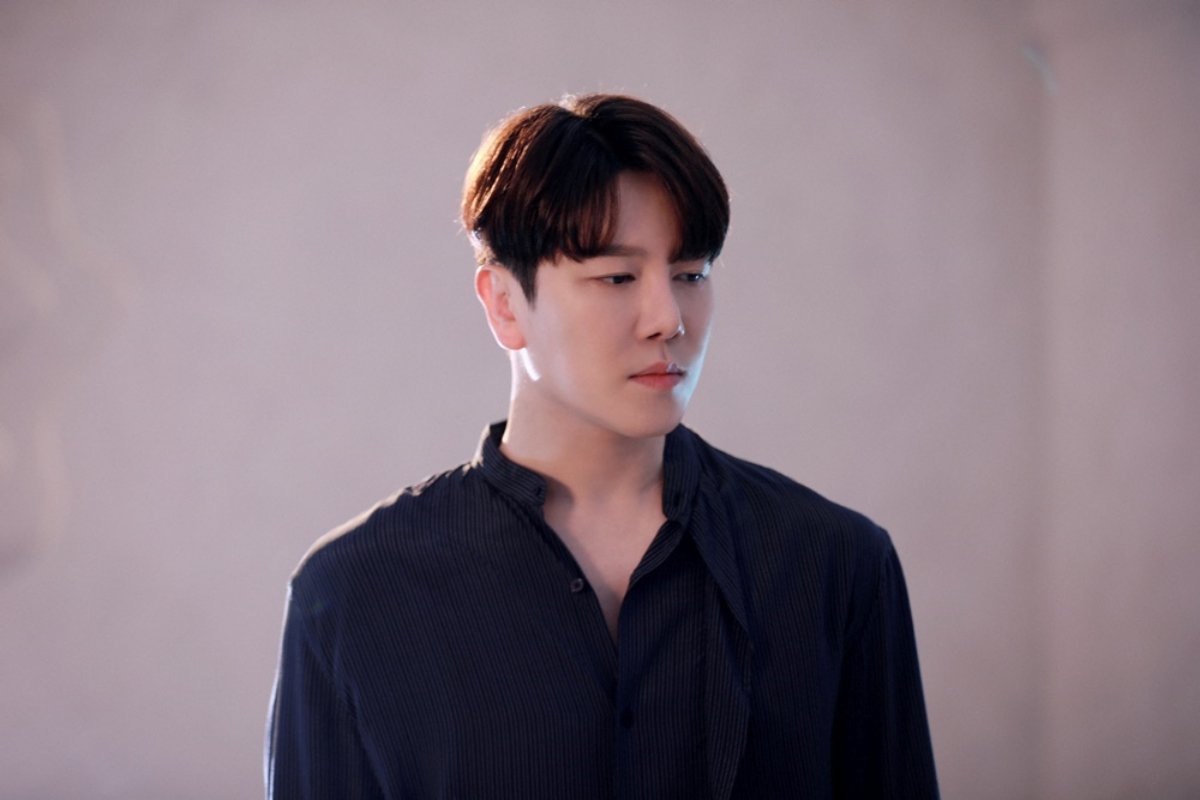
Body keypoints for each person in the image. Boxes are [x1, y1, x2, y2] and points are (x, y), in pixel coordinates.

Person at [265, 93, 939, 799]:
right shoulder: (352, 595)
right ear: (503, 303)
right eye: (617, 277)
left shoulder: (835, 564)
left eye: (691, 274)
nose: (668, 318)